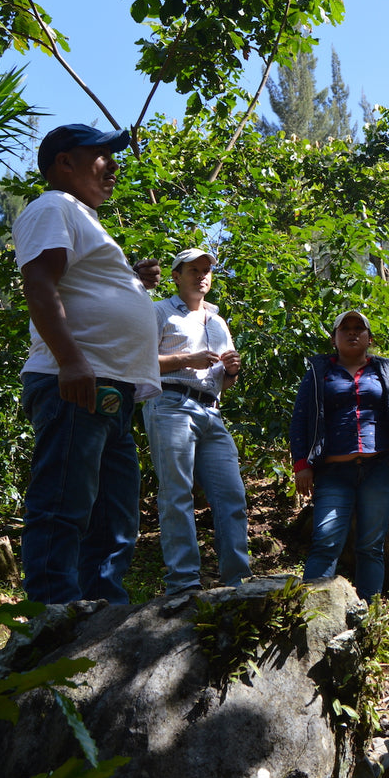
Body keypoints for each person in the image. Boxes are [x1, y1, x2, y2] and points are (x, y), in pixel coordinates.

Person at [13, 123, 162, 604]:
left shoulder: (83, 219)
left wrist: (133, 281)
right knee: (63, 503)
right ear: (65, 162)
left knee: (113, 517)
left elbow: (84, 283)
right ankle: (52, 614)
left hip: (112, 392)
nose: (114, 166)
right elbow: (39, 283)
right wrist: (71, 361)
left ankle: (100, 613)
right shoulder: (52, 206)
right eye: (101, 155)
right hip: (77, 383)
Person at [288, 309, 389, 600]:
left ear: (370, 339)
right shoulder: (319, 374)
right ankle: (312, 614)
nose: (353, 333)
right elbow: (300, 419)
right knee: (325, 542)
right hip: (333, 473)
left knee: (370, 546)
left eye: (360, 328)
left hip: (379, 470)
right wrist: (301, 465)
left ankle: (369, 617)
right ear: (334, 339)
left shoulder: (385, 371)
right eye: (346, 329)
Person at [144, 248, 251, 594]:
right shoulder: (159, 311)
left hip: (212, 410)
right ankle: (184, 584)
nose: (202, 275)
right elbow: (138, 361)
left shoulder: (218, 322)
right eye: (194, 270)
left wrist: (232, 370)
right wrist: (186, 358)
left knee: (231, 495)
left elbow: (224, 379)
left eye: (206, 270)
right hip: (170, 403)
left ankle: (239, 583)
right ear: (176, 276)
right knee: (177, 494)